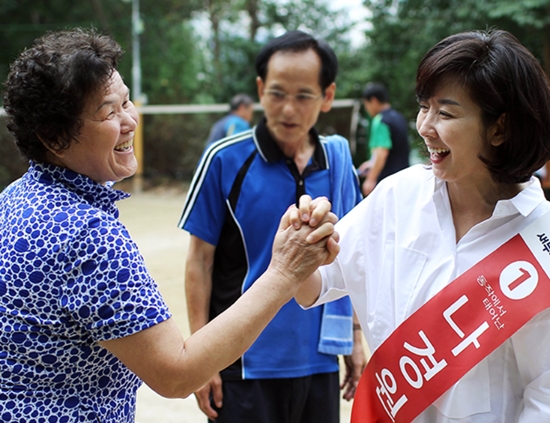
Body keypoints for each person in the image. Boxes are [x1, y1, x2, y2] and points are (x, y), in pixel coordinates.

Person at [0, 28, 339, 422]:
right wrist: (283, 274)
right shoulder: (86, 234)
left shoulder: (16, 197)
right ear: (54, 138)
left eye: (127, 102)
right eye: (109, 112)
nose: (129, 121)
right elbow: (175, 374)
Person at [294, 29, 550, 422]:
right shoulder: (397, 196)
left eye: (445, 113)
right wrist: (300, 244)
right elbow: (319, 282)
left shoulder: (540, 241)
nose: (425, 126)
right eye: (424, 107)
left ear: (499, 128)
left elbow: (544, 393)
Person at [178, 30, 366, 423]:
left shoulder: (337, 162)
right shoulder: (225, 160)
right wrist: (201, 357)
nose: (288, 109)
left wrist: (353, 339)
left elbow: (350, 260)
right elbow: (200, 262)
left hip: (318, 361)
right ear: (261, 90)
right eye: (278, 93)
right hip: (242, 362)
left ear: (327, 96)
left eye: (303, 96)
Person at [357, 82, 409, 196]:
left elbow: (381, 152)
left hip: (387, 182)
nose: (367, 109)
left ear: (374, 101)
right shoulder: (398, 117)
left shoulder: (380, 120)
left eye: (366, 104)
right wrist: (371, 163)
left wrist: (370, 179)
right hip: (403, 179)